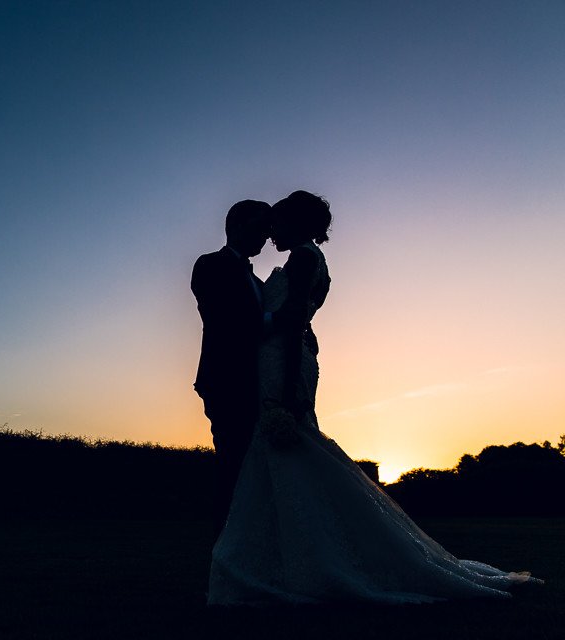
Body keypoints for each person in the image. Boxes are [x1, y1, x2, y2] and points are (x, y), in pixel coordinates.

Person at [208, 190, 541, 605]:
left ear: (298, 222)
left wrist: (287, 387)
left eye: (277, 223)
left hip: (283, 365)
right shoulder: (303, 262)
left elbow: (294, 322)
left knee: (291, 453)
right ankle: (287, 555)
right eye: (266, 225)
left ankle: (303, 561)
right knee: (288, 460)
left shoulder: (302, 259)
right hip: (281, 363)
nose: (271, 232)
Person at [191, 200, 272, 541]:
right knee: (233, 463)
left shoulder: (259, 280)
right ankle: (224, 546)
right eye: (259, 227)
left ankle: (251, 544)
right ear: (236, 226)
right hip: (225, 381)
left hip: (258, 383)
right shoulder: (209, 265)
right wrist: (279, 321)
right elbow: (223, 318)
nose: (266, 236)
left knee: (256, 467)